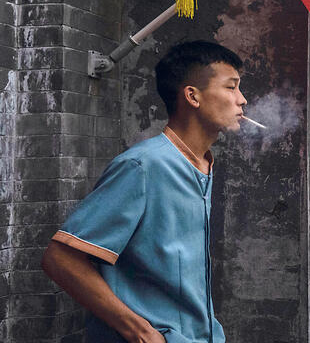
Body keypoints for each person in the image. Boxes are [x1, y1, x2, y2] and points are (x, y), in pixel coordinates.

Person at [41, 40, 247, 342]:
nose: (242, 100)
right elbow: (60, 258)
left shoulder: (202, 164)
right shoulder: (143, 166)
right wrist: (138, 330)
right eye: (231, 88)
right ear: (193, 96)